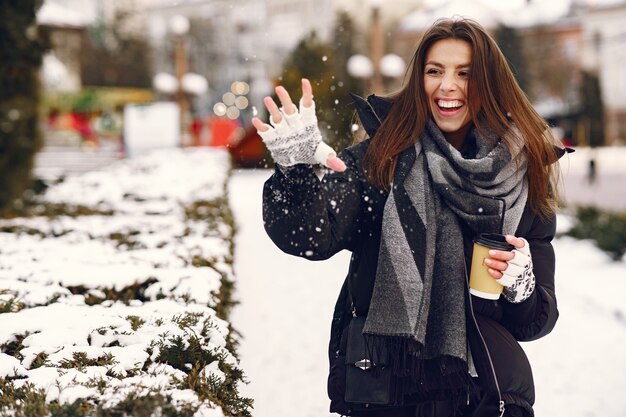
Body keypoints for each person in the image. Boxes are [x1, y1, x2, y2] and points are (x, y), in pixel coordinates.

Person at [253, 18, 566, 417]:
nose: (446, 85)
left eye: (464, 74)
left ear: (489, 83)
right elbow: (310, 236)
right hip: (387, 390)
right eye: (434, 71)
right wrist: (296, 172)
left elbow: (534, 322)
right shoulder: (381, 160)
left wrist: (519, 282)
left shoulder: (523, 178)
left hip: (483, 396)